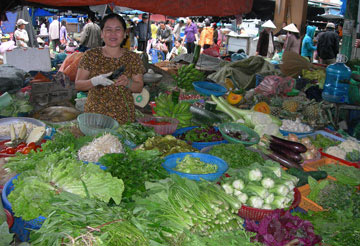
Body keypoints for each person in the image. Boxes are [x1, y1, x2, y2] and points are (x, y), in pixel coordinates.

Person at [75, 13, 145, 124]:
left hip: (123, 116)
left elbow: (139, 87)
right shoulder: (91, 55)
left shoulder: (133, 58)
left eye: (118, 29)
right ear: (102, 34)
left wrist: (128, 83)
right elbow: (78, 84)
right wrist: (95, 81)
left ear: (125, 34)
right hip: (95, 116)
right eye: (108, 30)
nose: (113, 34)